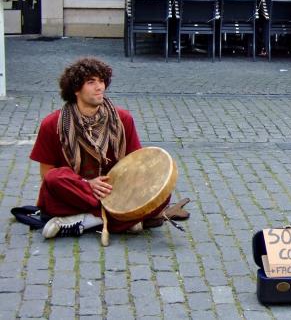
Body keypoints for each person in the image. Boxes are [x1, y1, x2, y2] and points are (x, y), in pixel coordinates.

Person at [30, 57, 188, 239]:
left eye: (102, 81)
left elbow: (137, 166)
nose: (100, 87)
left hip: (114, 190)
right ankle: (123, 221)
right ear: (75, 90)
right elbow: (46, 173)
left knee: (162, 195)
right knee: (53, 179)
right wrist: (87, 185)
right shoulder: (53, 124)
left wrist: (127, 191)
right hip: (76, 190)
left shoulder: (122, 119)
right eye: (91, 82)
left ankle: (85, 220)